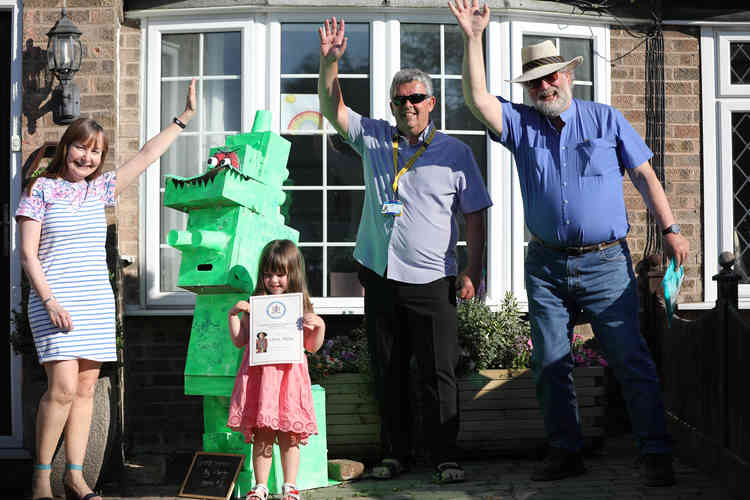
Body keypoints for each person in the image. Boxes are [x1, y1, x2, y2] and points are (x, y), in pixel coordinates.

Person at [449, 0, 690, 487]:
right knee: (550, 362)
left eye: (551, 76)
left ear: (568, 76)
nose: (545, 86)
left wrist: (670, 230)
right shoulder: (521, 125)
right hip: (545, 267)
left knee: (630, 358)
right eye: (536, 80)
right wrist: (473, 38)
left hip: (606, 264)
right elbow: (477, 99)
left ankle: (655, 452)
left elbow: (644, 174)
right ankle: (566, 452)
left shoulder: (605, 120)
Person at [317, 17, 492, 483]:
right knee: (388, 371)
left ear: (431, 103)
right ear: (392, 105)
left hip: (434, 279)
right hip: (380, 274)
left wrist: (474, 270)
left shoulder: (455, 152)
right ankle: (396, 454)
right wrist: (329, 65)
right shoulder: (374, 138)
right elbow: (332, 109)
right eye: (401, 99)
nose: (409, 105)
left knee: (439, 374)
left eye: (417, 98)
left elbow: (475, 214)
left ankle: (445, 456)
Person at [17, 81, 196, 500]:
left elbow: (148, 156)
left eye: (96, 151)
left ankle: (75, 478)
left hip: (95, 301)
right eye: (82, 148)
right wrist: (49, 301)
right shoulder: (40, 189)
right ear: (67, 148)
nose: (88, 157)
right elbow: (27, 255)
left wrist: (183, 118)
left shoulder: (100, 190)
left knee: (84, 391)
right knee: (59, 389)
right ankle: (41, 478)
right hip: (54, 299)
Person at [226, 239, 326, 500]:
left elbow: (312, 347)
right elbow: (240, 341)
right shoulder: (255, 303)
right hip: (260, 378)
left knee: (290, 435)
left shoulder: (301, 307)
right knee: (262, 433)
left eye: (279, 274)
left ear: (292, 273)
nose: (273, 280)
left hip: (289, 379)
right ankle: (260, 486)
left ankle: (290, 486)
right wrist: (233, 316)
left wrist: (319, 326)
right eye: (268, 274)